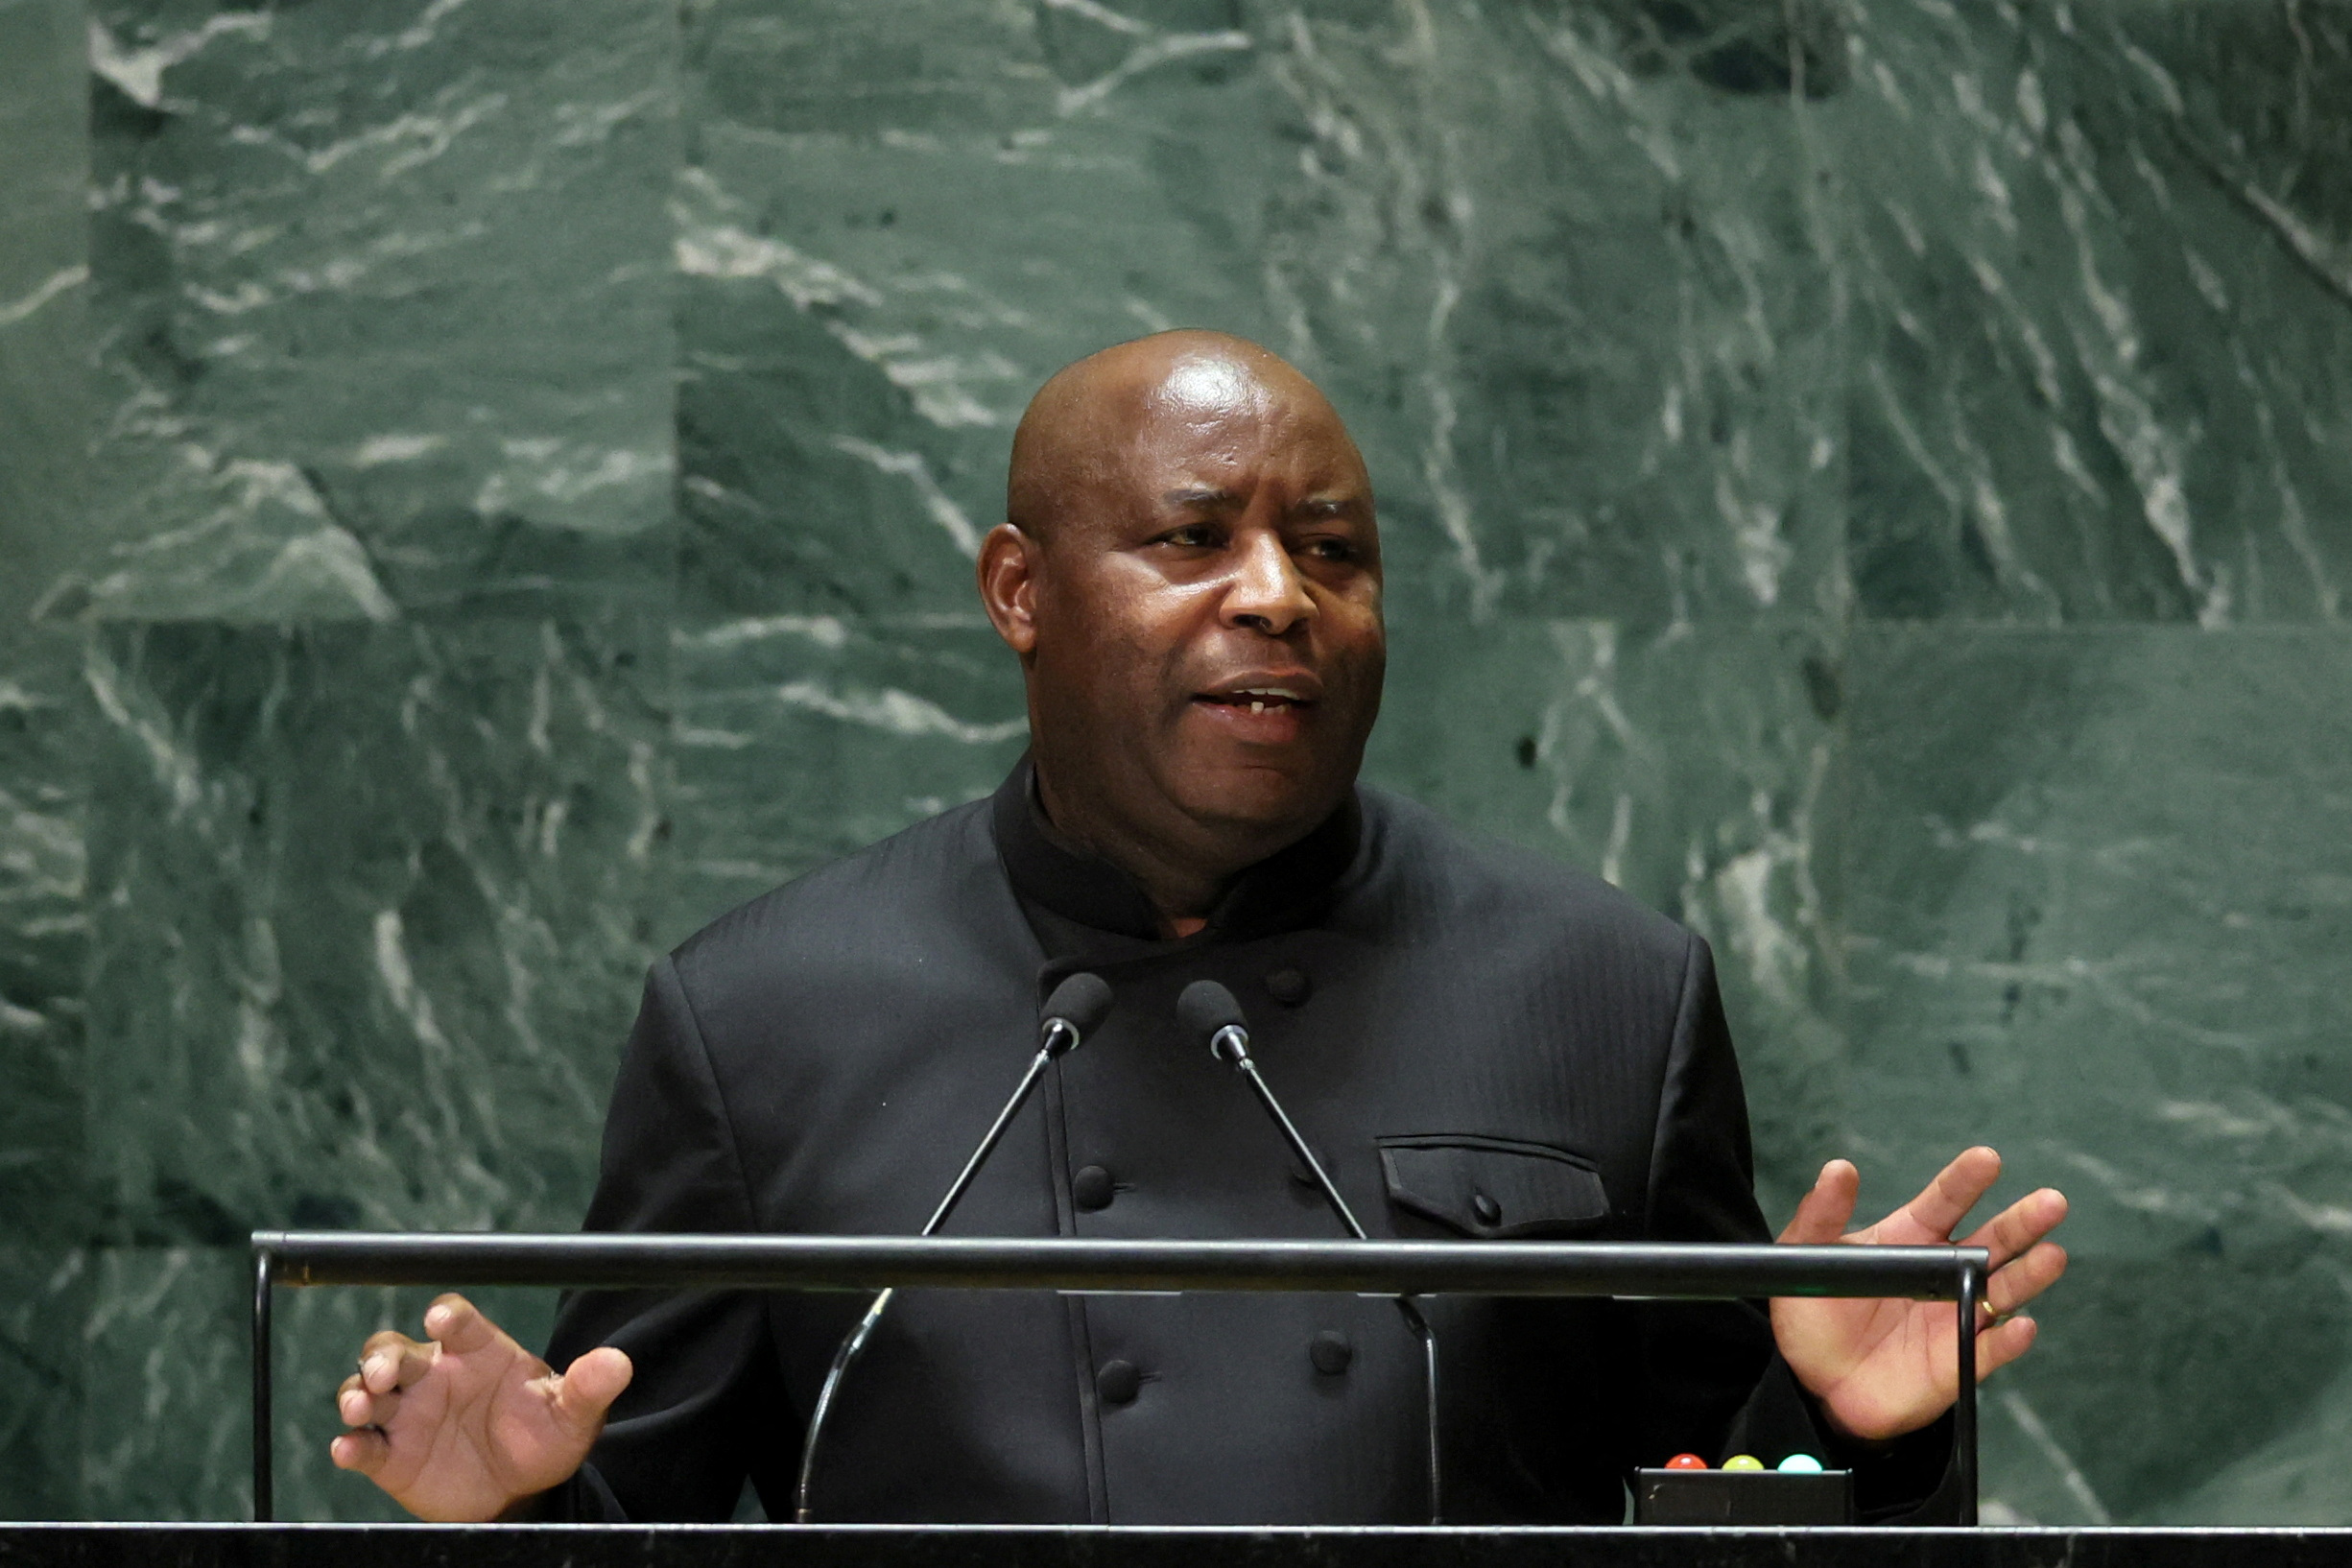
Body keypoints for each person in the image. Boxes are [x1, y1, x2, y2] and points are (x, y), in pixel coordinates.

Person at [329, 331, 2069, 1526]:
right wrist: (525, 1506)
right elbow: (647, 1518)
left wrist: (1843, 1419)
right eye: (1193, 536)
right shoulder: (762, 1015)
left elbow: (1712, 1495)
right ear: (1021, 591)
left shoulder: (1603, 991)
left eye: (1331, 549)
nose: (1275, 594)